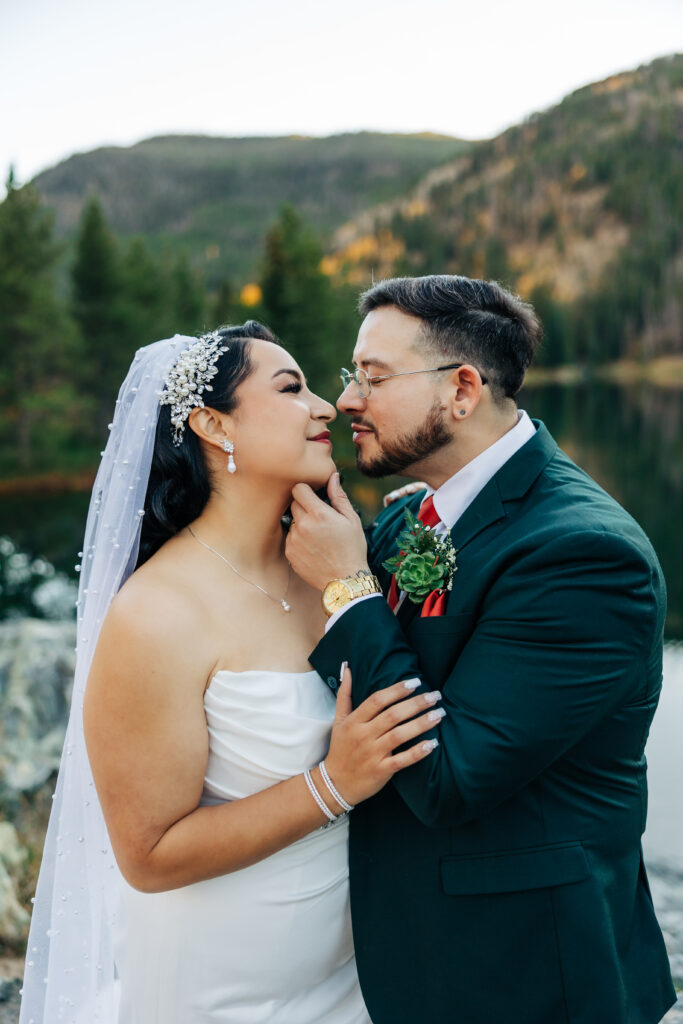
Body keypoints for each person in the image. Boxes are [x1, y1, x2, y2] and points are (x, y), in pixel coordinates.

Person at [19, 321, 441, 1024]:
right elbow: (148, 855)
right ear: (213, 424)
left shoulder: (335, 564)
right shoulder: (156, 613)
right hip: (223, 987)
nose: (326, 407)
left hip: (360, 966)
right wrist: (331, 783)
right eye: (291, 388)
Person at [285, 275, 677, 1024]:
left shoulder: (584, 554)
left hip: (527, 973)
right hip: (410, 951)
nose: (346, 402)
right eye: (349, 376)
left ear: (461, 389)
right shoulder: (414, 516)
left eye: (372, 377)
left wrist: (346, 586)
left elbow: (449, 780)